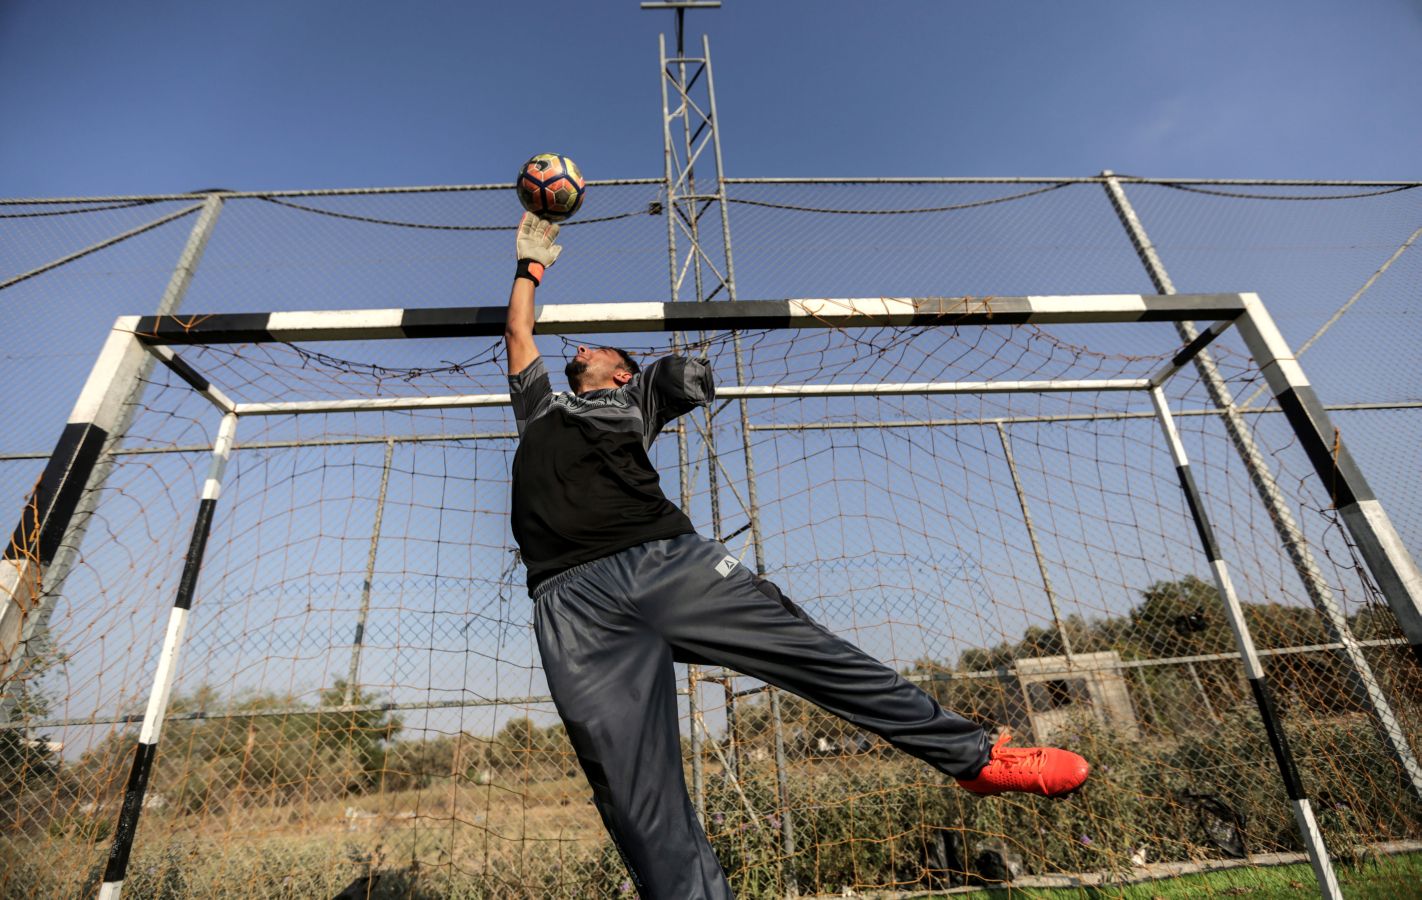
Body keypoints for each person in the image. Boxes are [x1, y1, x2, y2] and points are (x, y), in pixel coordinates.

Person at [503, 212, 1089, 899]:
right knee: (634, 792)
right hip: (571, 604)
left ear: (622, 369)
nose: (582, 351)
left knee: (816, 653)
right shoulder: (540, 409)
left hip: (663, 563)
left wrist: (682, 369)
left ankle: (973, 758)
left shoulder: (635, 399)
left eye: (598, 350)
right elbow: (518, 332)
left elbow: (684, 377)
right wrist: (530, 264)